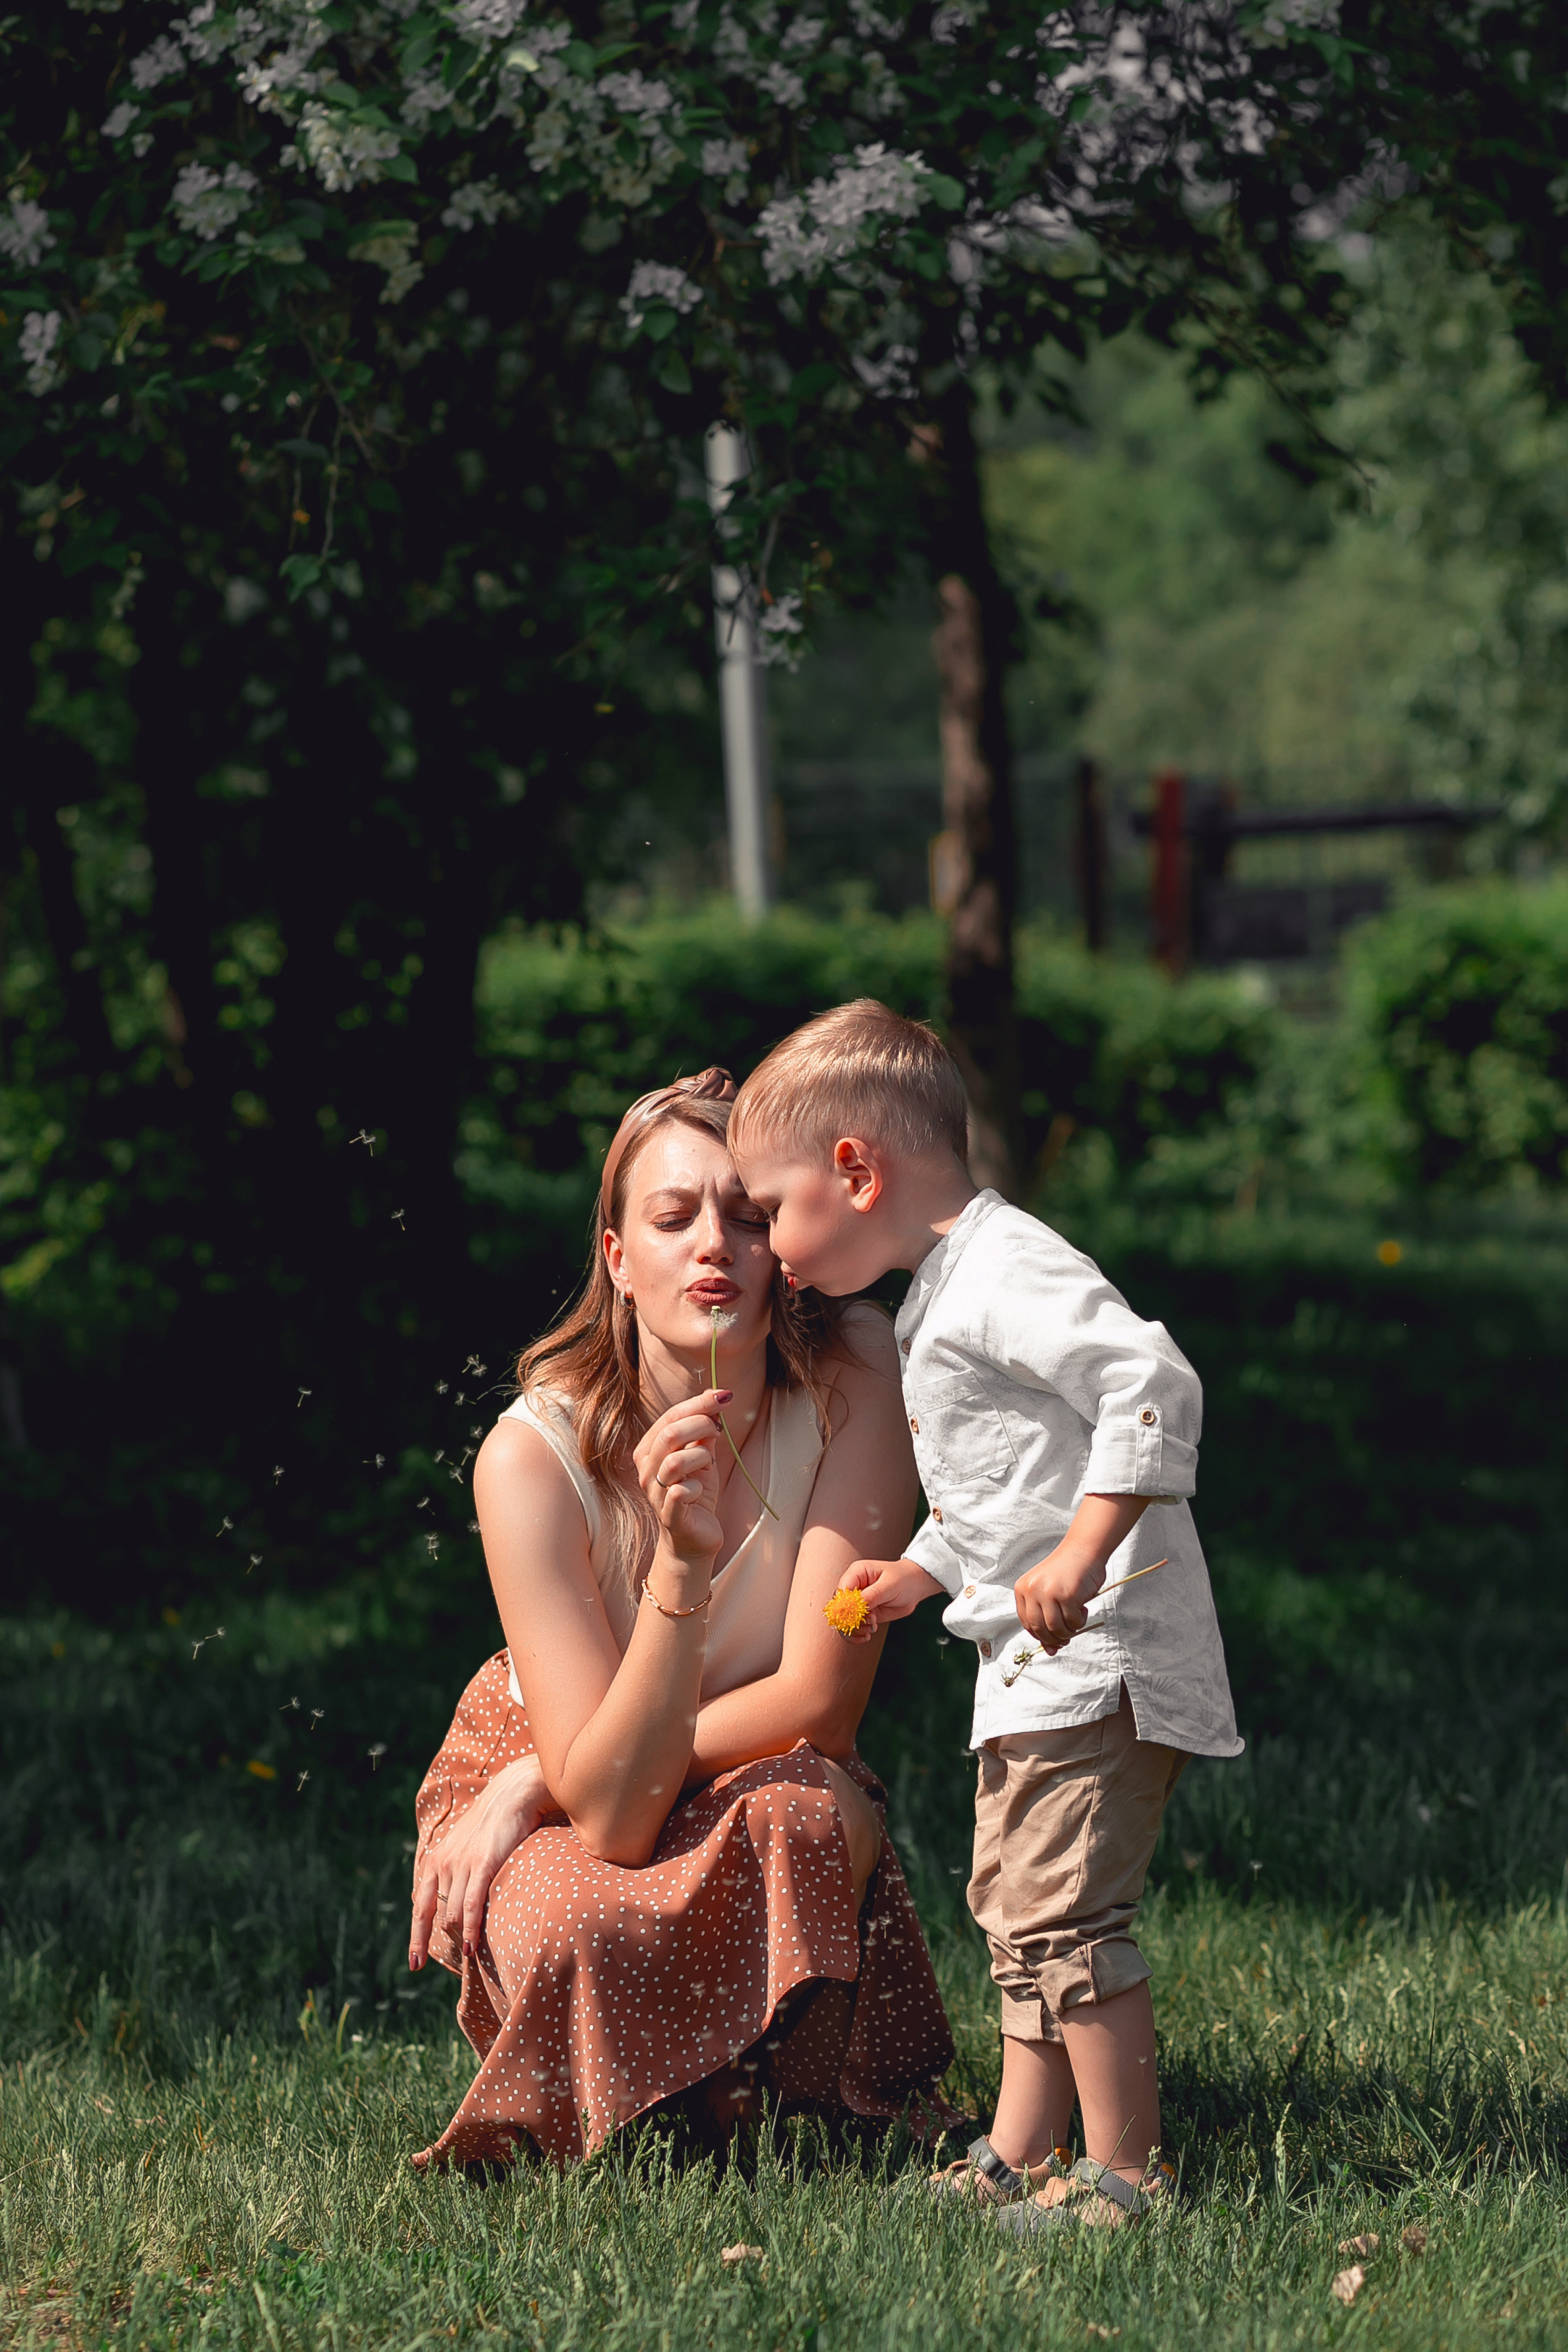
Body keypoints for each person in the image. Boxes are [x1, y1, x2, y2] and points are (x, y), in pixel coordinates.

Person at [729, 1002, 1242, 2233]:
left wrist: (1082, 1551)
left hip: (1101, 1654)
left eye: (774, 1205)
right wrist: (922, 1567)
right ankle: (1020, 2147)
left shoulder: (1011, 1271)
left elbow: (1151, 1382)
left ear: (856, 1171)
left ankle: (1129, 2177)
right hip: (1031, 1668)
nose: (767, 1242)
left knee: (1067, 1917)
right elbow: (1008, 1481)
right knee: (1013, 1908)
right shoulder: (940, 1296)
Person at [407, 1067, 954, 2170]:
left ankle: (762, 2104)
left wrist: (547, 1780)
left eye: (748, 1216)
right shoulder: (531, 1458)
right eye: (672, 1218)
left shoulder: (856, 1370)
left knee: (812, 1819)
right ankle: (655, 2115)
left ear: (784, 1245)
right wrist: (680, 1565)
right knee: (573, 1914)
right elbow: (614, 1819)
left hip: (739, 1746)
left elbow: (821, 1702)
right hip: (574, 1743)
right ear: (617, 1258)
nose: (715, 1245)